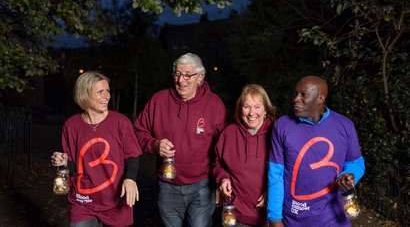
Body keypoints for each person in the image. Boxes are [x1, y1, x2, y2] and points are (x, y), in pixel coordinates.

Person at [133, 53, 227, 227]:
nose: (181, 80)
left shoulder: (214, 105)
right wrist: (155, 144)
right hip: (167, 185)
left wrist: (222, 180)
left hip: (203, 185)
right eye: (177, 74)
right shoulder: (158, 101)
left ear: (200, 77)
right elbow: (137, 133)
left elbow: (224, 149)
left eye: (187, 75)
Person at [267, 76, 365, 227]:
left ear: (320, 98)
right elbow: (276, 175)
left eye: (303, 94)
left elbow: (355, 162)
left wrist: (351, 175)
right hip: (294, 219)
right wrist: (275, 219)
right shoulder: (282, 126)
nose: (295, 99)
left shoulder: (345, 125)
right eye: (295, 94)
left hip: (334, 219)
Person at [51, 71, 142, 227]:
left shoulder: (120, 122)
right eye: (100, 92)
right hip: (83, 200)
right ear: (85, 94)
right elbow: (74, 166)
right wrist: (63, 162)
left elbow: (132, 156)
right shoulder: (71, 125)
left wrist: (130, 178)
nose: (106, 96)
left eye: (107, 91)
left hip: (115, 200)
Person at [213, 84, 276, 226]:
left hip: (269, 215)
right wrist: (223, 179)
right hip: (235, 214)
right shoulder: (228, 134)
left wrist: (273, 192)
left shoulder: (276, 134)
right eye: (246, 106)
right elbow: (217, 164)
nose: (251, 112)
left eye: (257, 106)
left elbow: (289, 170)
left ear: (266, 109)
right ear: (240, 109)